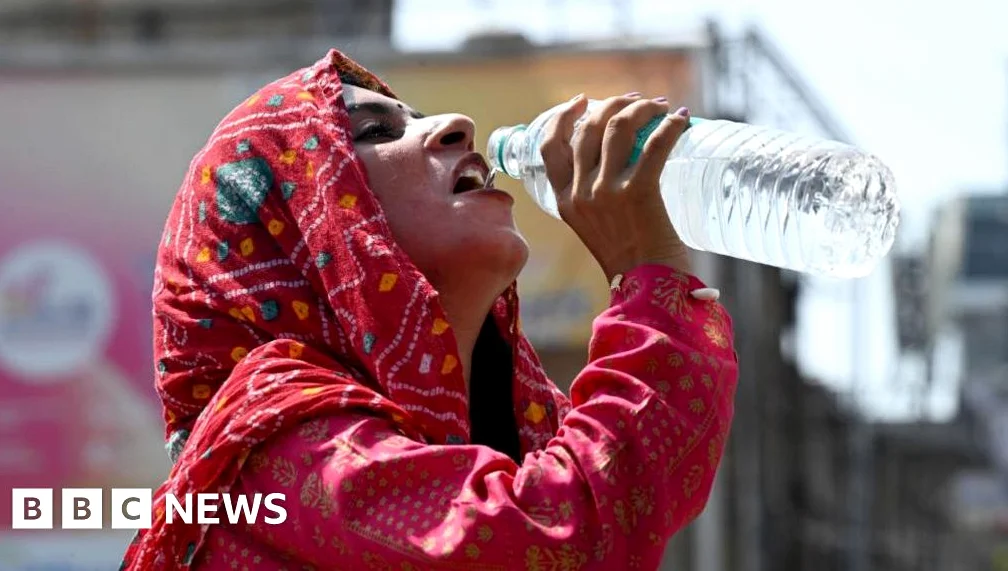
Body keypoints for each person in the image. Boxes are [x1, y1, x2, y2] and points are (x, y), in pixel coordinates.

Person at [121, 50, 738, 571]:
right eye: (374, 132)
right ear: (303, 238)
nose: (457, 124)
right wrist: (648, 270)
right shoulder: (268, 454)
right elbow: (562, 537)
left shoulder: (534, 430)